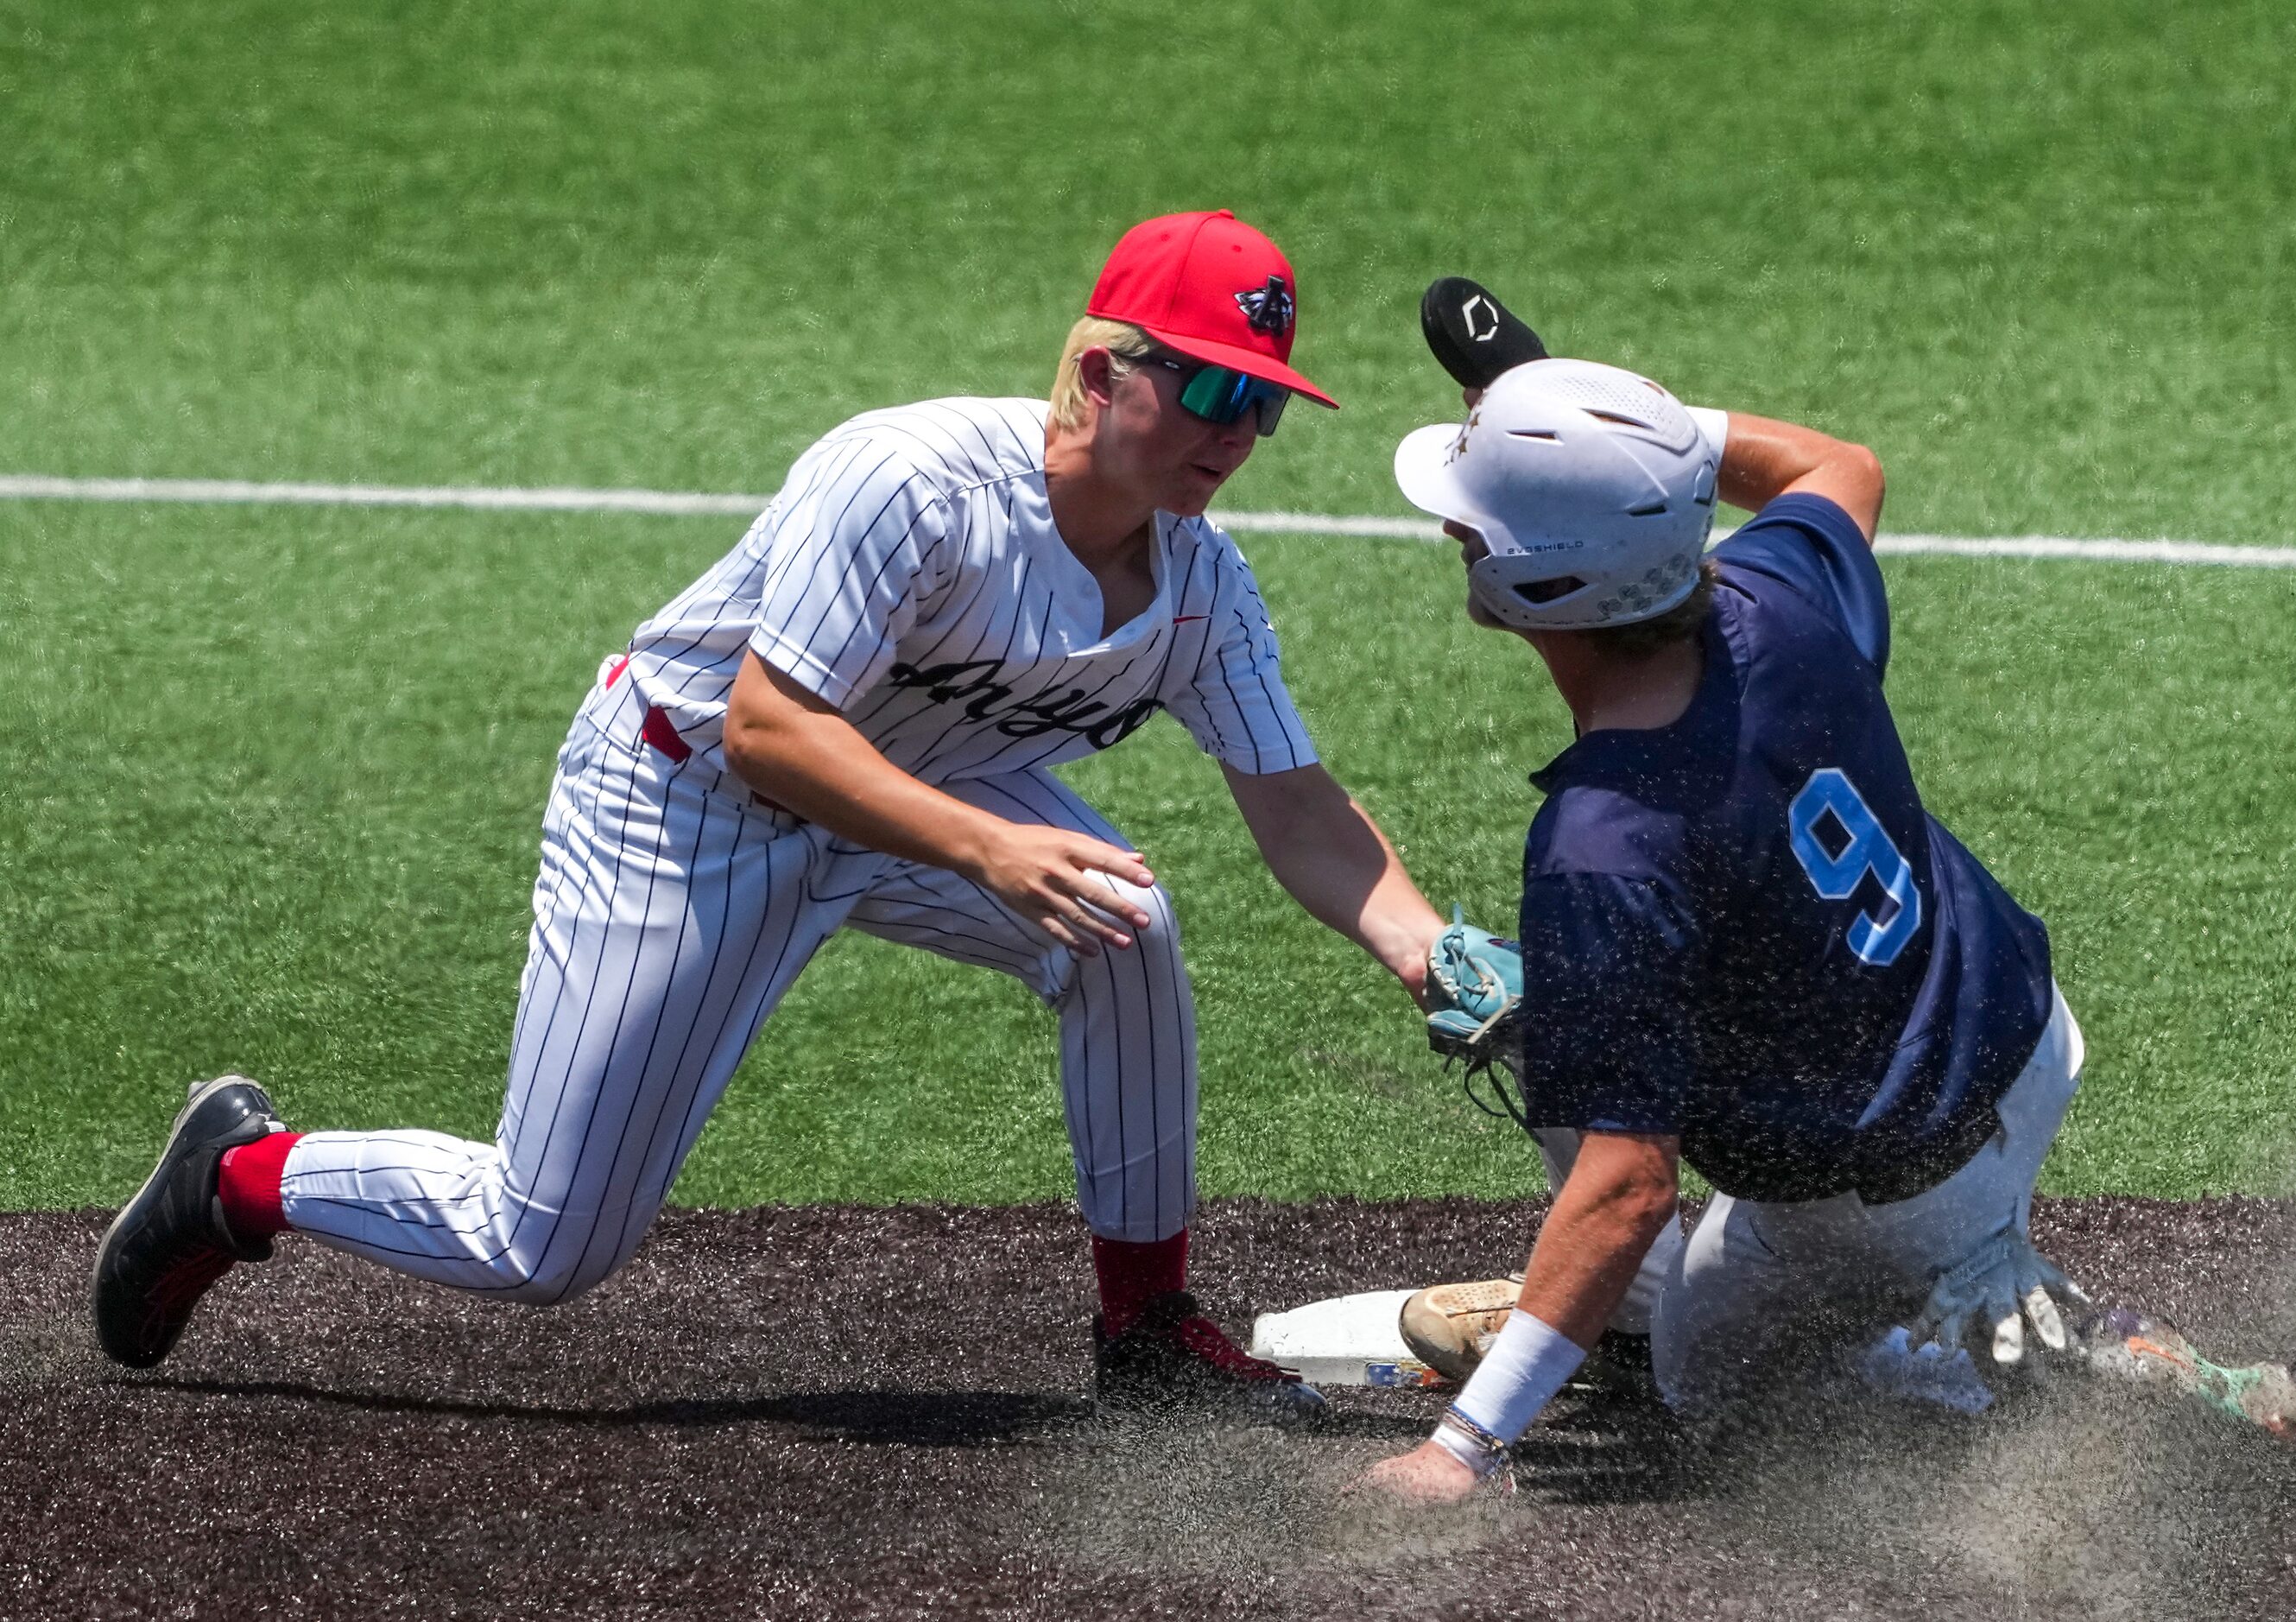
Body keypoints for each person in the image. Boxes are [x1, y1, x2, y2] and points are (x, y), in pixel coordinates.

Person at [92, 210, 1450, 1420]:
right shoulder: (913, 480)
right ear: (1099, 370)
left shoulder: (1202, 589)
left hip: (909, 794)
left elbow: (1298, 808)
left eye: (1262, 407)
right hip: (689, 802)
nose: (1233, 432)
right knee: (543, 1239)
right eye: (1209, 385)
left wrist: (1431, 953)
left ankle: (1145, 1322)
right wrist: (986, 842)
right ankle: (242, 1173)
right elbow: (769, 726)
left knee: (1119, 919)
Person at [1358, 283, 2085, 1501]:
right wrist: (1615, 444)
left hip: (1881, 1202)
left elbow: (1630, 1181)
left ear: (1532, 592)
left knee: (1716, 1385)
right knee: (1582, 1028)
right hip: (2019, 1039)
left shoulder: (1606, 839)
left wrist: (1459, 1447)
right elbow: (1835, 464)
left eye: (1473, 525)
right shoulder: (1770, 598)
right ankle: (1954, 1280)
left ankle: (2006, 1346)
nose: (1453, 533)